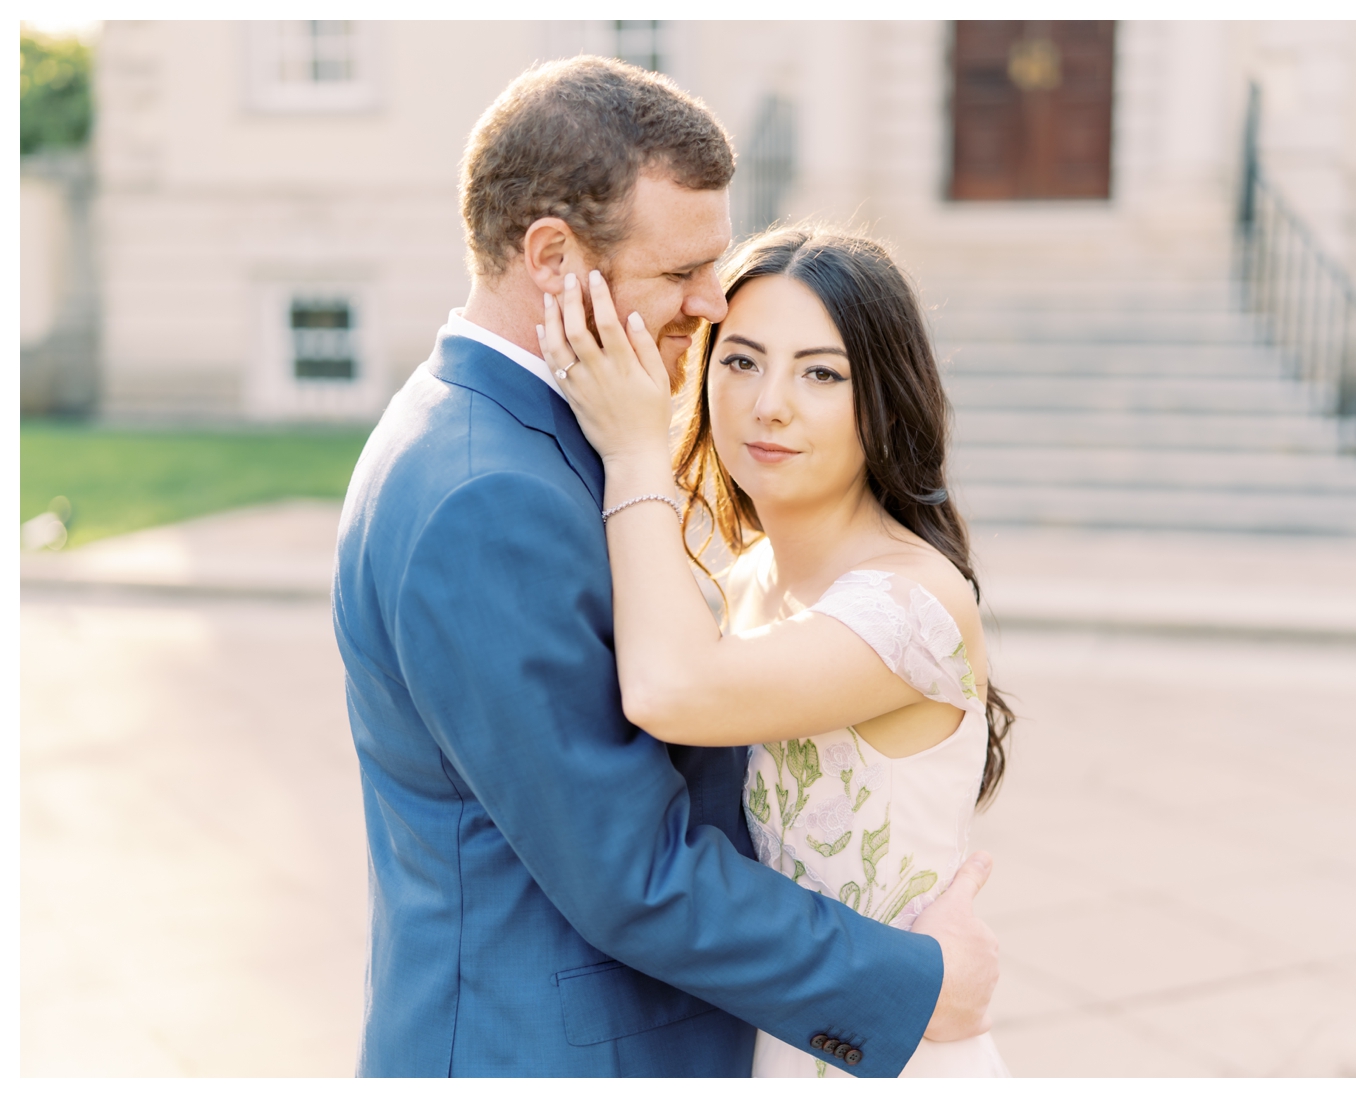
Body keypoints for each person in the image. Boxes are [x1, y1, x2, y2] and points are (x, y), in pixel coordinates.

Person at [333, 56, 1001, 1078]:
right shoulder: (488, 494)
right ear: (551, 257)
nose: (710, 303)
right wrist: (908, 985)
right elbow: (629, 872)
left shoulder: (504, 437)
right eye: (679, 273)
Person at [538, 224, 1015, 1077]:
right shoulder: (744, 579)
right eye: (742, 360)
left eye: (821, 373)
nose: (770, 405)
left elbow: (670, 691)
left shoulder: (912, 602)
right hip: (782, 1039)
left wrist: (635, 446)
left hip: (896, 1057)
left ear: (884, 398)